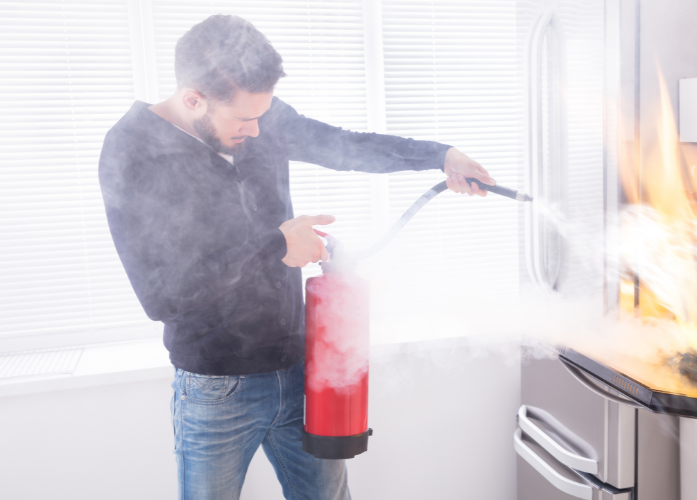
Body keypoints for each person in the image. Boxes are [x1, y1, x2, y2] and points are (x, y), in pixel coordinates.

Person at [98, 14, 494, 500]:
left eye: (263, 115)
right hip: (216, 388)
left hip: (300, 370)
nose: (260, 131)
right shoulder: (131, 150)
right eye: (244, 120)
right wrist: (276, 247)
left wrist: (441, 155)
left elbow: (345, 147)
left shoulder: (258, 115)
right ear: (193, 99)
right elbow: (163, 294)